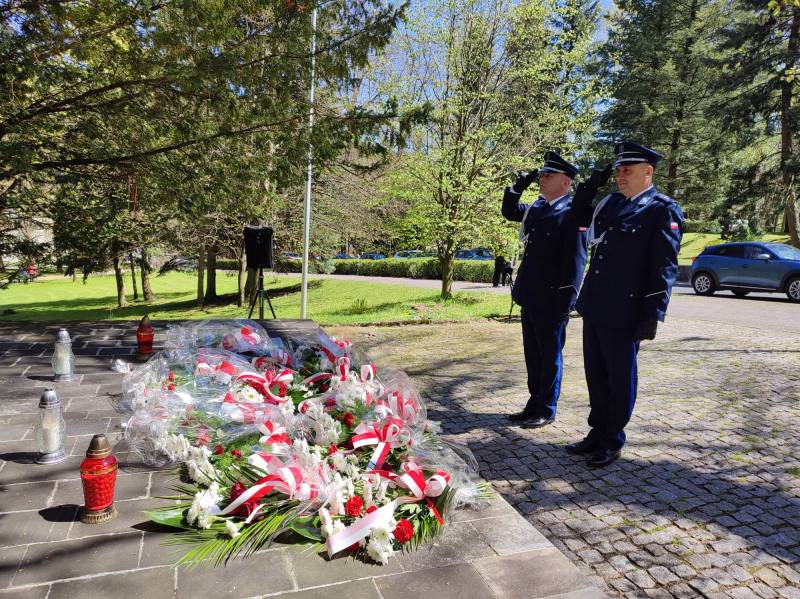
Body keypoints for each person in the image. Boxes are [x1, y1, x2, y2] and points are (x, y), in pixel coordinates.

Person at [566, 142, 684, 467]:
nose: (620, 176)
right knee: (596, 374)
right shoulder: (612, 203)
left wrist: (653, 314)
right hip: (596, 304)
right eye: (618, 170)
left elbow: (665, 266)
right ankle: (597, 432)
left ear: (648, 172)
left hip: (626, 311)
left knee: (620, 378)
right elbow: (576, 218)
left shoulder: (662, 209)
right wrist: (590, 187)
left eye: (627, 170)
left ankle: (612, 439)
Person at [501, 152, 588, 428]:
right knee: (533, 354)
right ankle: (534, 401)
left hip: (553, 298)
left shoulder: (574, 212)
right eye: (541, 175)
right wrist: (517, 187)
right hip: (530, 294)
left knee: (550, 357)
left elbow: (577, 261)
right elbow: (509, 211)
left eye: (548, 175)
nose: (542, 179)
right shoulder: (538, 208)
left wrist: (567, 300)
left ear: (566, 182)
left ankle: (547, 407)